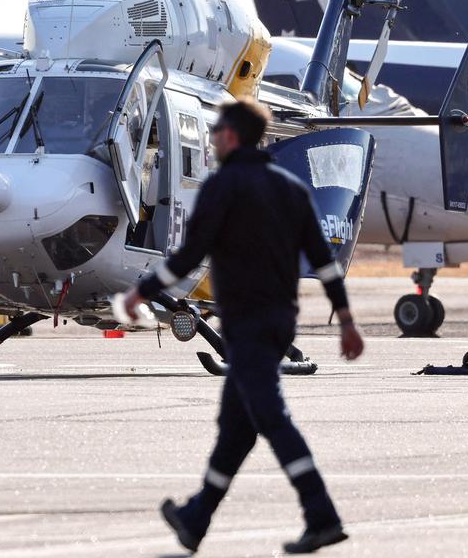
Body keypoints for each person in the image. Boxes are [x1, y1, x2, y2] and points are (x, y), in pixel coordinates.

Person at [120, 98, 364, 555]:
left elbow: (190, 256)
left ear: (230, 136)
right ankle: (196, 519)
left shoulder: (224, 186)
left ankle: (322, 515)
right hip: (277, 324)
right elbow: (325, 263)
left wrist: (141, 290)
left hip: (248, 324)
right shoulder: (291, 188)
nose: (212, 140)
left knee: (271, 417)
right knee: (236, 429)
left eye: (215, 133)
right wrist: (346, 319)